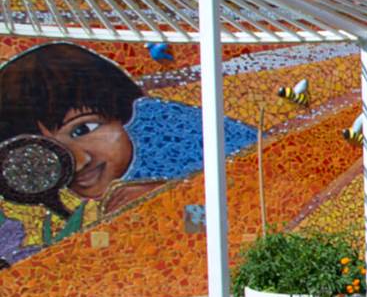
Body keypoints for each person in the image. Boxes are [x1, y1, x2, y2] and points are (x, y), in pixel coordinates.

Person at [0, 42, 256, 217]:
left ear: (123, 114)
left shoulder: (178, 132)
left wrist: (174, 201)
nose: (78, 162)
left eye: (83, 130)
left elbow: (257, 197)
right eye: (45, 152)